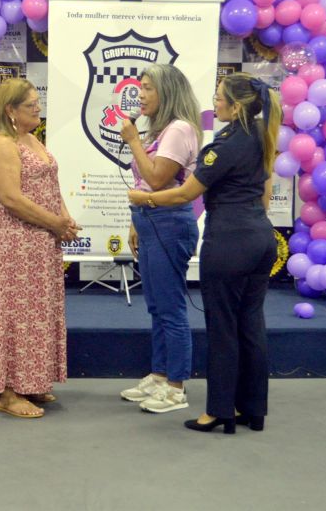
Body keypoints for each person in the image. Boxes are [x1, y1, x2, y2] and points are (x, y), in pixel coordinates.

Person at [128, 72, 281, 434]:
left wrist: (144, 198)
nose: (214, 103)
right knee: (251, 325)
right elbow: (265, 189)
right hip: (259, 235)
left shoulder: (225, 146)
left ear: (238, 104)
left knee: (224, 328)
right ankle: (253, 410)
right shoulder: (262, 135)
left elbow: (183, 194)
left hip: (229, 241)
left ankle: (219, 411)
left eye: (219, 97)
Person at [0, 78, 79, 418]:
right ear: (10, 110)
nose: (38, 109)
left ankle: (30, 381)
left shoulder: (30, 138)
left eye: (38, 103)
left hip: (41, 241)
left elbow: (50, 183)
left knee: (36, 314)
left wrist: (64, 219)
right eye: (31, 105)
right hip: (16, 244)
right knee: (14, 315)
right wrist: (54, 223)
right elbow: (11, 199)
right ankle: (7, 393)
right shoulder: (0, 144)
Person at [118, 64, 202, 414]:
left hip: (170, 224)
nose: (141, 94)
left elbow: (155, 180)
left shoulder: (179, 130)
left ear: (167, 92)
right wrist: (136, 223)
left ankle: (176, 386)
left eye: (148, 88)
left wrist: (134, 141)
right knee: (155, 305)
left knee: (170, 307)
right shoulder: (162, 131)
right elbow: (146, 186)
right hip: (151, 221)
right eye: (140, 87)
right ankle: (159, 373)